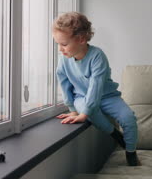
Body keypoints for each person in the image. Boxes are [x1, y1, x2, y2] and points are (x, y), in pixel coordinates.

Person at [52, 12, 140, 166]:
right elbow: (64, 84)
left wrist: (85, 113)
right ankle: (115, 134)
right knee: (91, 113)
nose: (60, 49)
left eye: (64, 44)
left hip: (107, 96)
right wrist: (73, 109)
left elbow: (96, 86)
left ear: (81, 39)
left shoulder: (97, 56)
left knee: (129, 118)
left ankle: (131, 152)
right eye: (57, 44)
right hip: (81, 97)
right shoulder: (63, 61)